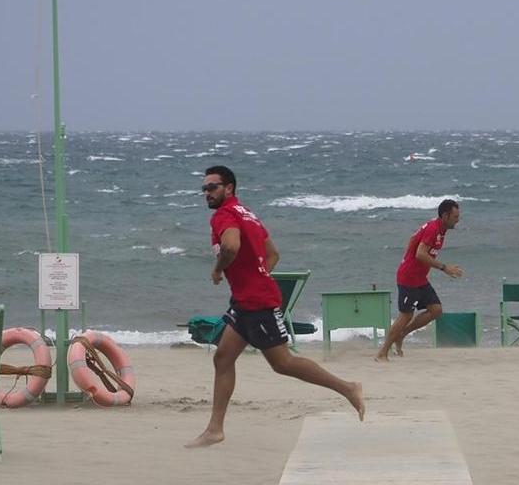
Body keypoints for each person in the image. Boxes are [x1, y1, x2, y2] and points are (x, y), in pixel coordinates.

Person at [186, 165, 365, 449]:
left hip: (256, 303)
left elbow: (230, 247)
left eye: (212, 187)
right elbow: (273, 254)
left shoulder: (225, 215)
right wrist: (256, 278)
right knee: (223, 358)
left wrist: (218, 270)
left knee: (283, 363)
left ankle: (348, 388)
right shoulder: (248, 214)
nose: (206, 193)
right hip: (247, 300)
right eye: (204, 188)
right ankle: (214, 429)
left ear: (229, 188)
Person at [376, 199, 463, 361]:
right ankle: (382, 353)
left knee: (436, 310)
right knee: (406, 315)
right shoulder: (433, 229)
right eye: (455, 217)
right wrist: (445, 268)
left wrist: (407, 255)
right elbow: (420, 254)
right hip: (409, 277)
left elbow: (412, 239)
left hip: (420, 278)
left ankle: (402, 335)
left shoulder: (439, 228)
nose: (458, 220)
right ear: (445, 216)